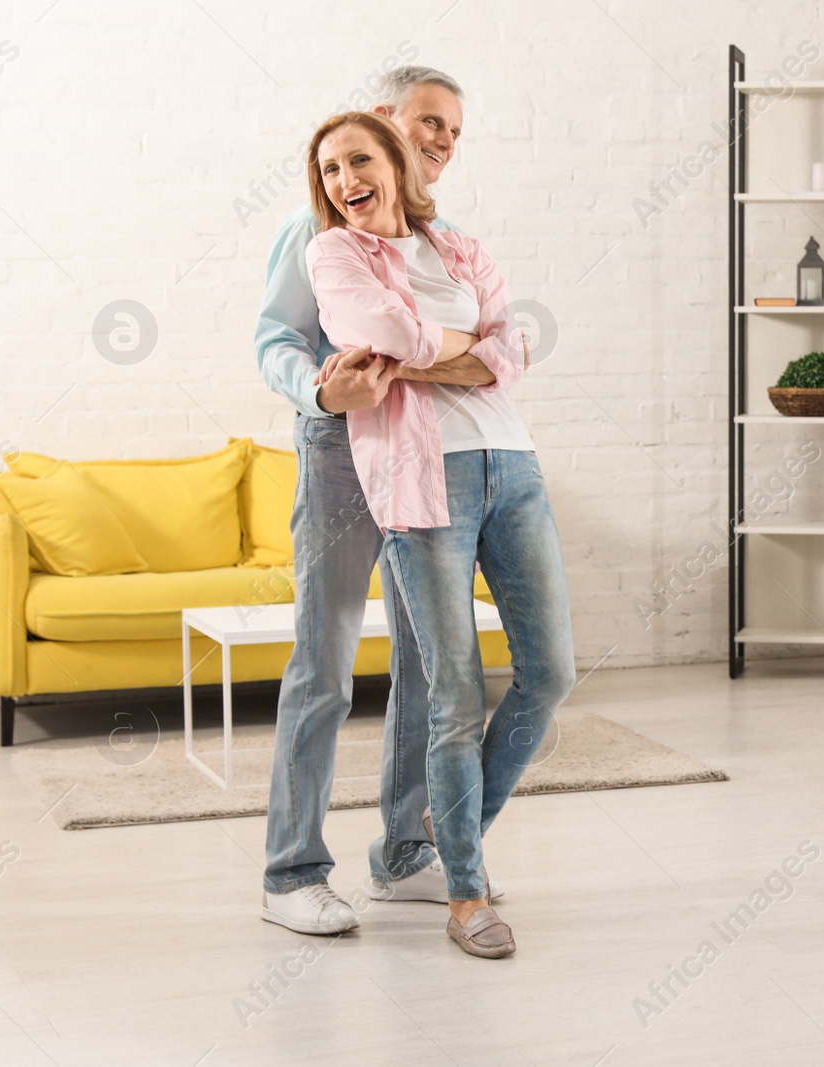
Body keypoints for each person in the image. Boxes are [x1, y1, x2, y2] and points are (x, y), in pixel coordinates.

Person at [304, 109, 575, 958]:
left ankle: (442, 826)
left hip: (513, 465)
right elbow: (386, 334)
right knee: (456, 694)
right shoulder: (334, 255)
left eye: (358, 160)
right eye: (329, 170)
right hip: (422, 482)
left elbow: (514, 348)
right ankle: (464, 890)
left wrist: (426, 356)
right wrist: (465, 348)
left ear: (392, 161)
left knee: (551, 674)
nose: (345, 180)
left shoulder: (455, 246)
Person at [255, 66, 497, 936]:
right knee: (323, 661)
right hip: (337, 451)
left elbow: (494, 343)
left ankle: (403, 855)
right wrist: (324, 396)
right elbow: (276, 340)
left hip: (420, 453)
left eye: (455, 131)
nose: (441, 141)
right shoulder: (314, 228)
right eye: (429, 121)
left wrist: (457, 359)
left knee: (423, 663)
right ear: (385, 123)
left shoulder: (447, 241)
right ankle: (291, 872)